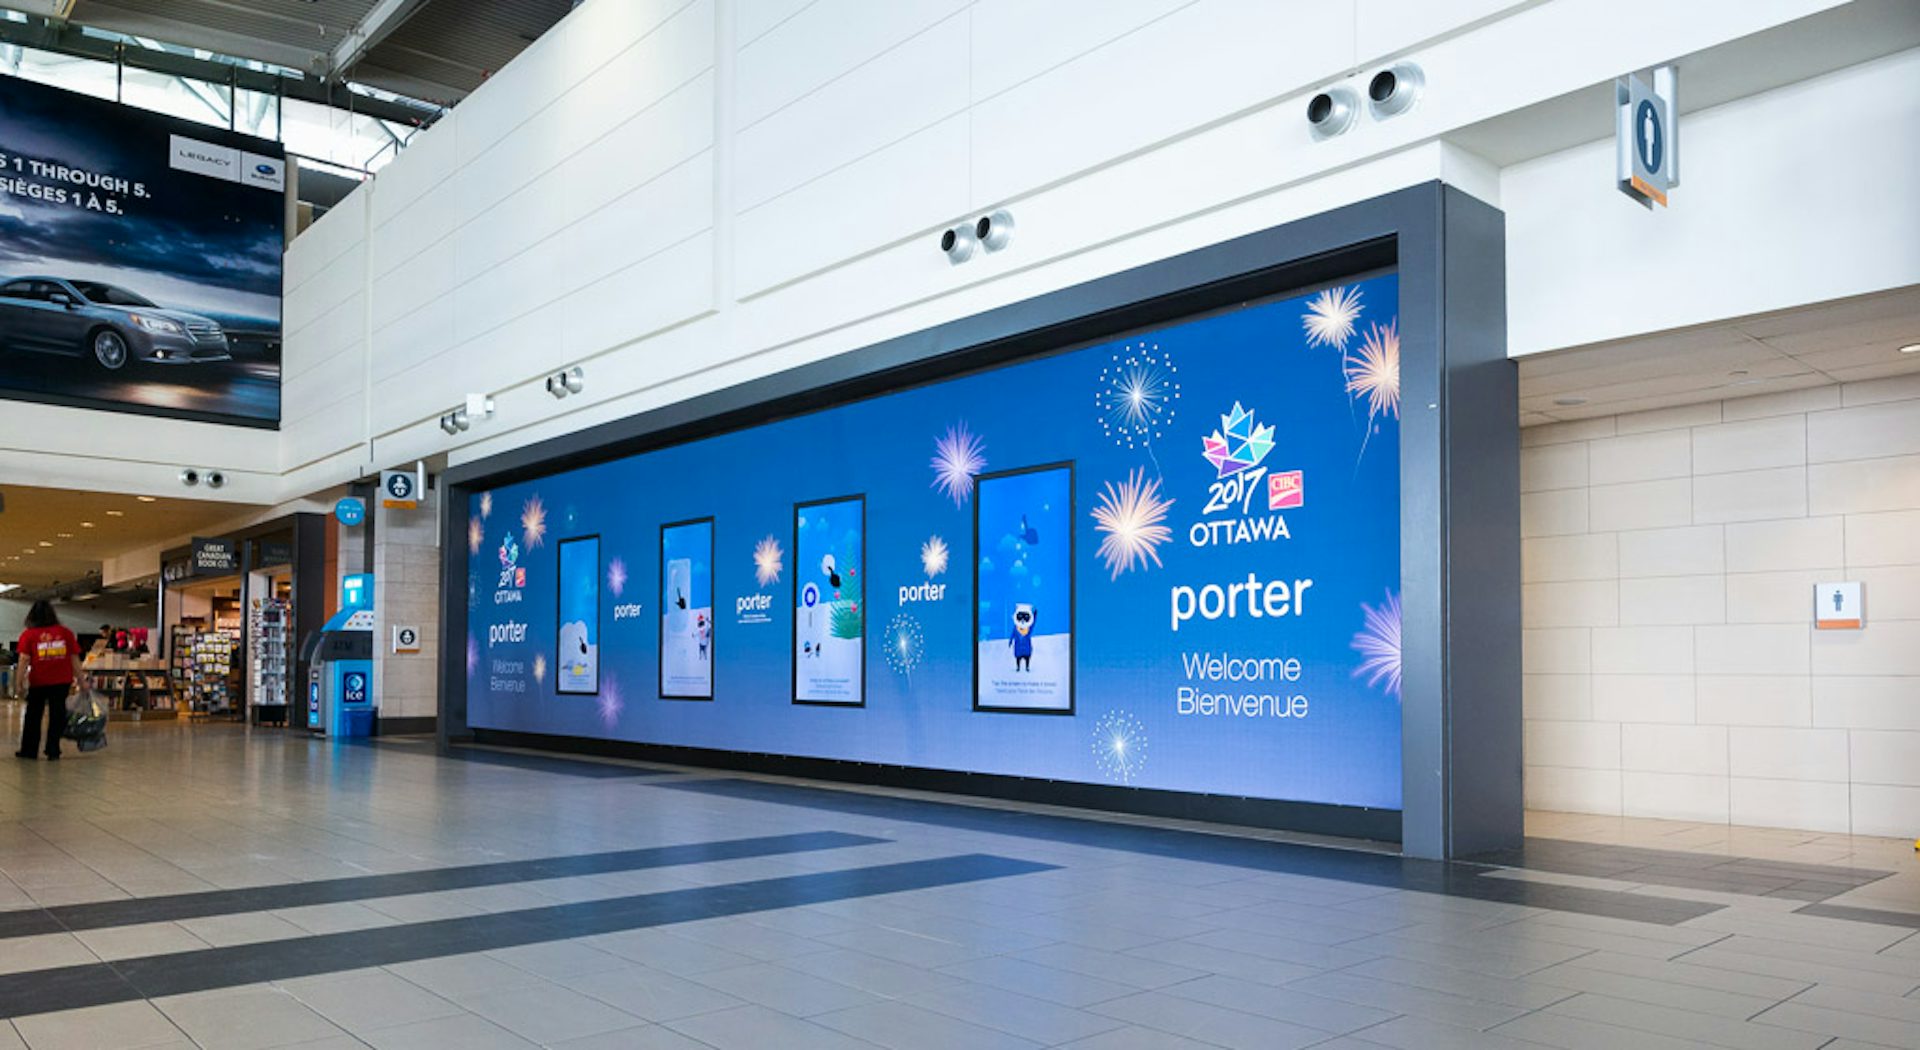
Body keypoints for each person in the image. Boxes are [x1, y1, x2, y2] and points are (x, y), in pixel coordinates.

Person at [17, 600, 83, 760]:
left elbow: (24, 659)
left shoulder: (29, 634)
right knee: (57, 715)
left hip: (38, 681)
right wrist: (81, 680)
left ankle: (29, 750)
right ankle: (53, 749)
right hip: (61, 681)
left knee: (33, 716)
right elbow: (74, 659)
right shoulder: (65, 633)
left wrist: (18, 683)